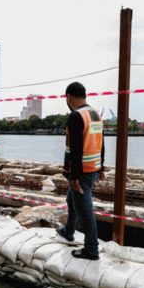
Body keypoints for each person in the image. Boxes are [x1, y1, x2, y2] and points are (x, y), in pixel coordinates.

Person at [56, 82, 105, 261]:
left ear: (68, 97)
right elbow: (101, 143)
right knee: (71, 199)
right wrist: (101, 167)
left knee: (85, 210)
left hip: (81, 172)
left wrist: (74, 177)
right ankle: (69, 231)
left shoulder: (76, 116)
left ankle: (91, 249)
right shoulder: (95, 114)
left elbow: (76, 150)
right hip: (92, 168)